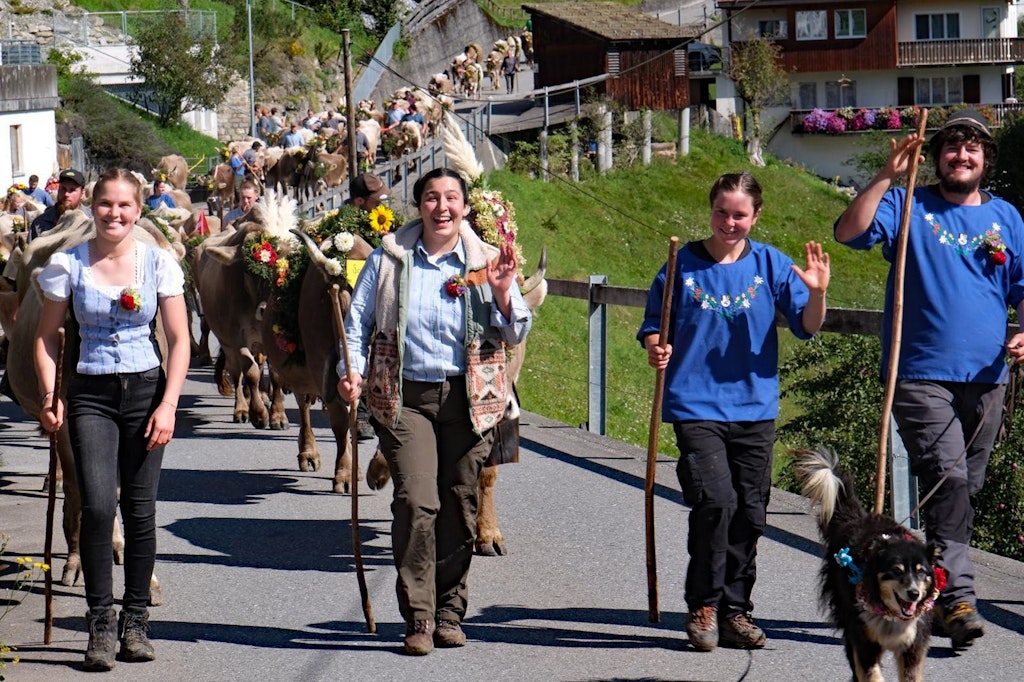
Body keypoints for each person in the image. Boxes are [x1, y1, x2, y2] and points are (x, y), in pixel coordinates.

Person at [834, 109, 1024, 650]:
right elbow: (850, 232)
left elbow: (1022, 287)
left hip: (988, 377)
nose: (961, 157)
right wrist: (884, 177)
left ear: (985, 160)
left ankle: (920, 586)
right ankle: (957, 597)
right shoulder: (908, 201)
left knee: (964, 489)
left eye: (972, 149)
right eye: (952, 148)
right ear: (936, 156)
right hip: (918, 371)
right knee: (949, 477)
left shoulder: (1006, 218)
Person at [337, 167, 532, 655]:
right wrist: (352, 370)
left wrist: (505, 293)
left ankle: (450, 609)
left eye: (451, 198)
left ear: (465, 207)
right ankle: (420, 616)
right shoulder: (390, 259)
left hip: (470, 400)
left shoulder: (487, 261)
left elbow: (515, 333)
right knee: (416, 501)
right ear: (418, 205)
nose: (441, 207)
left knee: (461, 502)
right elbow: (358, 322)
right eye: (430, 197)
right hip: (405, 398)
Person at [638, 172, 829, 652]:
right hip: (695, 405)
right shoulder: (679, 265)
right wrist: (656, 347)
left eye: (740, 214)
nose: (730, 222)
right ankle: (703, 605)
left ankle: (735, 611)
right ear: (711, 210)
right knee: (714, 503)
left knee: (750, 513)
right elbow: (652, 328)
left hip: (755, 406)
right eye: (722, 212)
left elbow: (808, 326)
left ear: (756, 216)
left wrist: (819, 292)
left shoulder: (772, 264)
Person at [34, 168, 190, 671]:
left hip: (145, 392)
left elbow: (181, 340)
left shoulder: (158, 264)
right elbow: (45, 338)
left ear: (138, 211)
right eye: (106, 205)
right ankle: (100, 624)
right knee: (99, 507)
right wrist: (49, 396)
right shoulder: (68, 264)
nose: (114, 214)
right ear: (93, 208)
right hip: (91, 394)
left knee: (140, 512)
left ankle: (136, 621)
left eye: (124, 206)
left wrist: (168, 405)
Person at [343, 172, 390, 442]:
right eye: (376, 201)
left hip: (380, 294)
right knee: (359, 343)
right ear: (360, 201)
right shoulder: (339, 228)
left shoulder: (384, 223)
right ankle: (359, 410)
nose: (382, 207)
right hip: (349, 298)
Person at [30, 168, 92, 240]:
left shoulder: (92, 220)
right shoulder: (40, 224)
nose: (66, 194)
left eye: (72, 190)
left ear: (82, 193)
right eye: (63, 188)